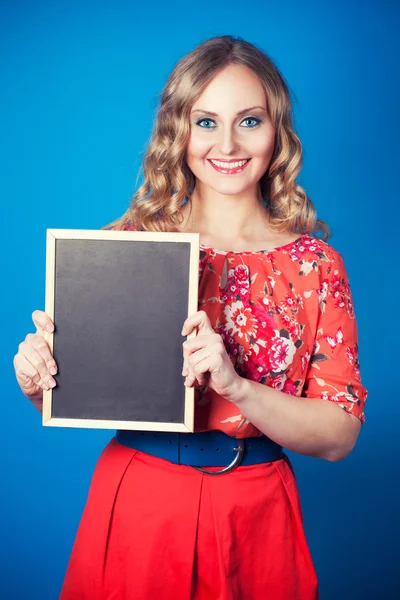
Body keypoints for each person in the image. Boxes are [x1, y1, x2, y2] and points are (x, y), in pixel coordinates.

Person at [13, 35, 367, 600]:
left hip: (258, 509)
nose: (227, 143)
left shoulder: (315, 265)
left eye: (249, 121)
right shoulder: (129, 243)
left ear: (277, 132)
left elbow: (339, 435)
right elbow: (82, 395)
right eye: (206, 122)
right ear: (179, 130)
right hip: (141, 502)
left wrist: (237, 387)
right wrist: (40, 379)